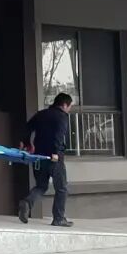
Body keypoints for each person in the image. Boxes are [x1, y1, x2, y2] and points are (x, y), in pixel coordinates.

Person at [18, 93, 75, 228]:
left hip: (38, 156)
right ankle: (59, 218)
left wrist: (27, 143)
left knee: (41, 186)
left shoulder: (41, 114)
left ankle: (27, 202)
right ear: (64, 105)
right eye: (70, 106)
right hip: (54, 157)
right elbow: (59, 135)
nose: (69, 110)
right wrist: (56, 152)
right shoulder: (62, 116)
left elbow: (27, 128)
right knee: (61, 188)